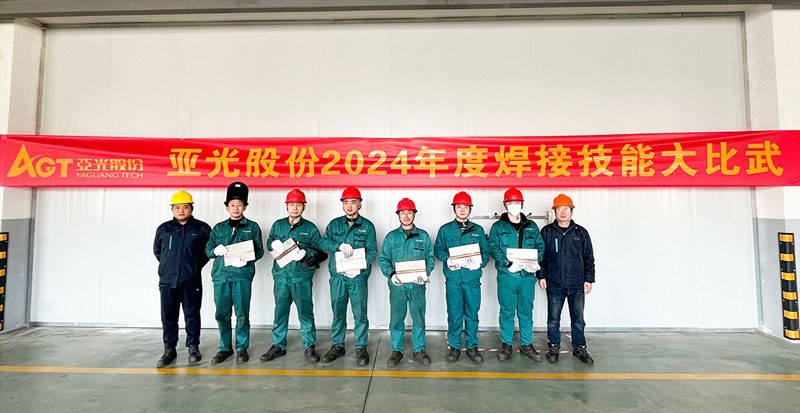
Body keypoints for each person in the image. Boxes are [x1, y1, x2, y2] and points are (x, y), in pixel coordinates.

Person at [261, 189, 327, 364]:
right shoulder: (278, 225)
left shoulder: (310, 228)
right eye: (292, 205)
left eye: (298, 205)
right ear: (286, 206)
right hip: (281, 276)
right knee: (280, 312)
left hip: (301, 277)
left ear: (304, 207)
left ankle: (309, 346)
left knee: (305, 312)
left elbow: (320, 250)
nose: (295, 208)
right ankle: (278, 345)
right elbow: (269, 242)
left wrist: (306, 252)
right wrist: (272, 244)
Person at [205, 182, 264, 364]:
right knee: (222, 314)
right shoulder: (218, 228)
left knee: (242, 313)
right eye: (232, 205)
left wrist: (247, 259)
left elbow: (260, 251)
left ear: (245, 207)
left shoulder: (252, 227)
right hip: (221, 276)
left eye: (239, 205)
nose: (236, 208)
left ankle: (241, 348)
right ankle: (224, 348)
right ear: (227, 207)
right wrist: (215, 251)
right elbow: (208, 249)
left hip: (242, 276)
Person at [318, 187, 377, 366]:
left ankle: (361, 347)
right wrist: (339, 245)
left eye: (353, 202)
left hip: (358, 278)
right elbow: (322, 242)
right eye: (346, 202)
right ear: (342, 205)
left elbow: (372, 251)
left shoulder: (367, 226)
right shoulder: (334, 224)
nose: (349, 206)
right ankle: (337, 346)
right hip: (338, 277)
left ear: (360, 204)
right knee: (338, 313)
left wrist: (361, 268)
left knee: (360, 314)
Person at [152, 190, 211, 368]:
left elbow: (207, 253)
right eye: (177, 207)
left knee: (192, 314)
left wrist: (192, 267)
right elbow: (158, 251)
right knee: (168, 315)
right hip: (167, 280)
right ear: (172, 209)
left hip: (191, 280)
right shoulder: (164, 229)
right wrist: (168, 267)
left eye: (185, 207)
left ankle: (193, 347)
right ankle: (169, 349)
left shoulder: (201, 229)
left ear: (191, 208)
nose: (181, 211)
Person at [488, 187, 545, 362]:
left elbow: (540, 246)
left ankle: (526, 344)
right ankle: (507, 344)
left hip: (527, 277)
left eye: (517, 203)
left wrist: (535, 262)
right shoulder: (498, 227)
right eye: (511, 203)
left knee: (526, 311)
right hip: (507, 276)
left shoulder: (531, 226)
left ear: (522, 204)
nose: (514, 206)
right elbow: (493, 247)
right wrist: (507, 263)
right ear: (505, 205)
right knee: (507, 311)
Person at [537, 194, 596, 365]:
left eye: (566, 209)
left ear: (572, 211)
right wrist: (541, 276)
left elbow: (588, 257)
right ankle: (554, 346)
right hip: (554, 283)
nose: (563, 212)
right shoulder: (547, 232)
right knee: (553, 319)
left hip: (577, 284)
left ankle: (579, 347)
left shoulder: (580, 232)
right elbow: (540, 257)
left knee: (578, 319)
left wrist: (589, 279)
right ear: (554, 211)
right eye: (559, 209)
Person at [378, 198, 435, 367]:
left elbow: (430, 258)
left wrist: (425, 273)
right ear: (398, 215)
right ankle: (397, 350)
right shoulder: (391, 237)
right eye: (402, 213)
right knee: (396, 318)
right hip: (398, 287)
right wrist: (391, 274)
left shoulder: (423, 236)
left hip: (417, 286)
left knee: (419, 318)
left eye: (409, 212)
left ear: (414, 214)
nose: (406, 216)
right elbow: (383, 259)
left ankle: (419, 349)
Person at [433, 191, 489, 364]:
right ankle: (455, 346)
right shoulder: (445, 229)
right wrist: (447, 259)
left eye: (466, 207)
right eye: (459, 207)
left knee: (472, 314)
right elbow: (438, 250)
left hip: (472, 280)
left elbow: (486, 253)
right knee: (455, 314)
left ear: (470, 209)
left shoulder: (478, 230)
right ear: (454, 209)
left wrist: (479, 264)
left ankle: (472, 346)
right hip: (454, 281)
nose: (462, 210)